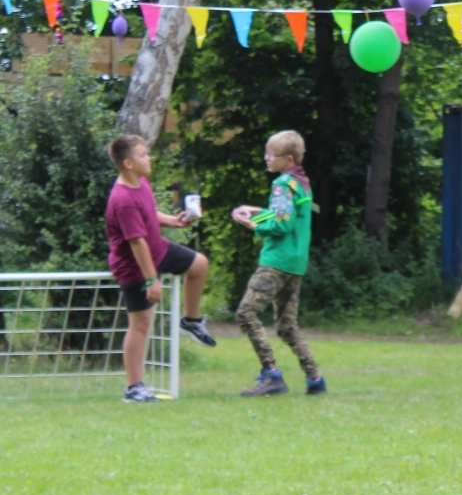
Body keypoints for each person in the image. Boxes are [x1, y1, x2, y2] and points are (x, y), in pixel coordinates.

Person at [105, 134, 216, 403]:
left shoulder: (141, 182)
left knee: (200, 265)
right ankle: (134, 388)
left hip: (158, 249)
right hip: (135, 265)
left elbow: (149, 214)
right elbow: (136, 242)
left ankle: (190, 321)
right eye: (143, 155)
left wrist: (173, 221)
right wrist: (151, 279)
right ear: (129, 163)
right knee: (141, 324)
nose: (149, 158)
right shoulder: (122, 198)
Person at [232, 131, 325, 398]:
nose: (266, 158)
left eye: (272, 154)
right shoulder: (301, 183)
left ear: (289, 159)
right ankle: (315, 379)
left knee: (246, 314)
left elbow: (281, 225)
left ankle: (271, 375)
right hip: (295, 264)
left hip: (275, 262)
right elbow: (285, 216)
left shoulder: (282, 185)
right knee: (287, 326)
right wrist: (255, 212)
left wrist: (253, 225)